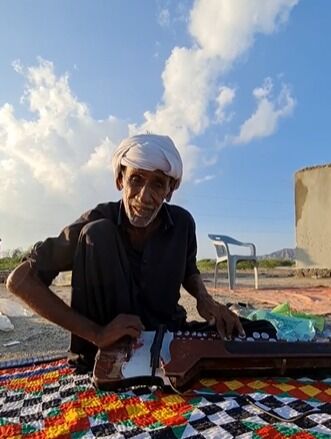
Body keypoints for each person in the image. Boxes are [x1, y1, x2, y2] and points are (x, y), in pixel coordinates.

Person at [7, 134, 243, 368]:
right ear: (120, 181)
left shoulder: (182, 224)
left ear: (170, 190)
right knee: (97, 233)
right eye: (136, 179)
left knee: (251, 335)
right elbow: (19, 280)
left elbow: (188, 267)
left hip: (165, 340)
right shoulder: (96, 221)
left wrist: (205, 299)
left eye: (158, 184)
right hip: (106, 352)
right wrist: (97, 333)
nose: (144, 196)